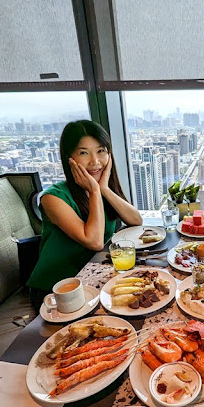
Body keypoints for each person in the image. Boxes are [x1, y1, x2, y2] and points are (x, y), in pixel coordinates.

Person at [27, 120, 142, 308]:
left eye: (101, 151)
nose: (95, 162)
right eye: (83, 153)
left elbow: (136, 220)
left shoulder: (101, 189)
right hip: (56, 292)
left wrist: (104, 189)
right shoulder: (53, 198)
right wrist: (96, 191)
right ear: (68, 158)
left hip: (91, 279)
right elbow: (95, 242)